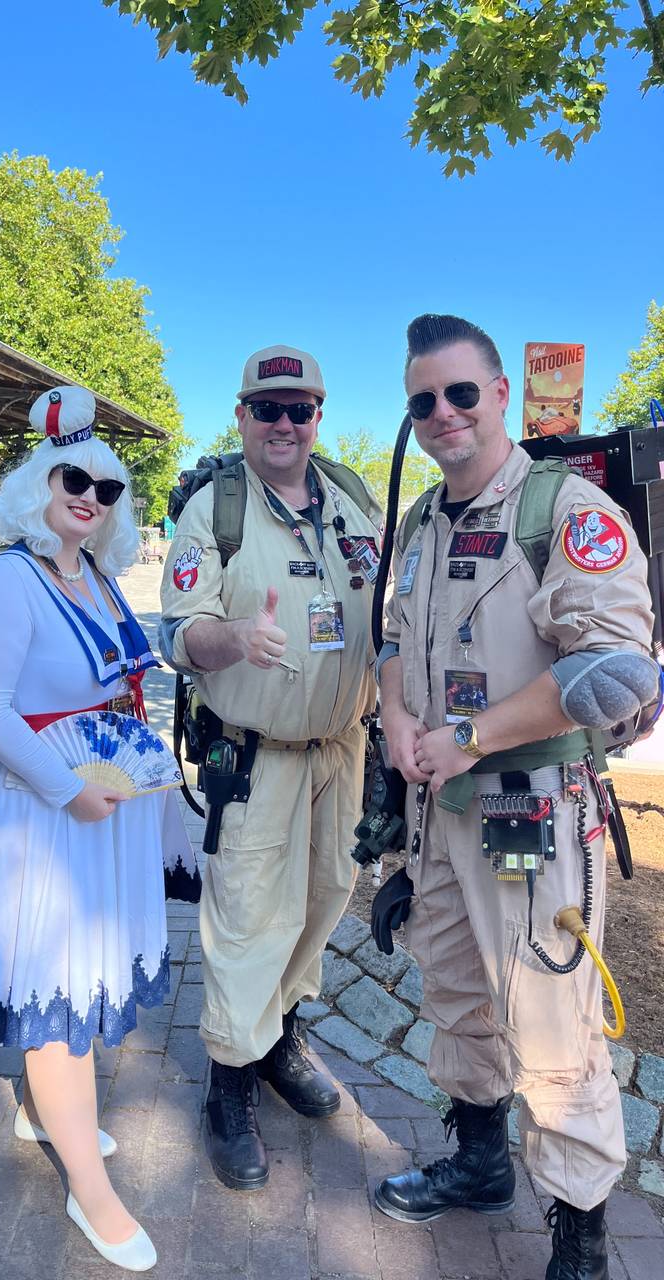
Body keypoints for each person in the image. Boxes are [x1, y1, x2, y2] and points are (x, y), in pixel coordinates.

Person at [375, 315, 658, 1280]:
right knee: (457, 993)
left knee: (550, 1021)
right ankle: (481, 1161)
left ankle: (581, 1235)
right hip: (437, 813)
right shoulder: (422, 520)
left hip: (527, 809)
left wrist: (467, 738)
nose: (443, 413)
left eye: (461, 392)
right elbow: (393, 638)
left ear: (500, 394)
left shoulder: (564, 508)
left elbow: (617, 670)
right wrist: (395, 720)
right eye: (423, 400)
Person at [0, 385, 198, 1273]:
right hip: (41, 808)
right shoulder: (10, 577)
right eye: (72, 481)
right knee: (59, 984)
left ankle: (43, 1111)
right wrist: (66, 788)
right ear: (37, 487)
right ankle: (92, 1190)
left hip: (99, 804)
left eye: (106, 487)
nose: (90, 497)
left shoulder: (96, 576)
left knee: (79, 963)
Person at [159, 345, 381, 1190]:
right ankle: (229, 1084)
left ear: (318, 416)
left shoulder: (353, 497)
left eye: (300, 409)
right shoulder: (214, 509)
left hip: (343, 750)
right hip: (252, 754)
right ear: (242, 415)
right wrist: (234, 638)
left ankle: (281, 1039)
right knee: (250, 916)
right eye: (268, 408)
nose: (285, 423)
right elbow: (179, 633)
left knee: (324, 898)